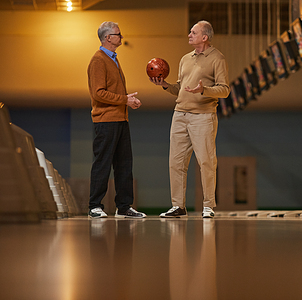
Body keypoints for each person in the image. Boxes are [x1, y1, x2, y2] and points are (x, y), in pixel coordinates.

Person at [150, 20, 230, 218]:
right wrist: (165, 85)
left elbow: (225, 90)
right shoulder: (185, 59)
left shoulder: (217, 58)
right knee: (175, 163)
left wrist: (205, 90)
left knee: (206, 162)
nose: (188, 35)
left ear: (205, 37)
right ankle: (178, 206)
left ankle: (208, 205)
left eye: (193, 32)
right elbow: (180, 88)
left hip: (203, 116)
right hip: (179, 115)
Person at [87, 21, 146, 219]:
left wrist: (128, 101)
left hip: (121, 119)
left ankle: (124, 206)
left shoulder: (113, 59)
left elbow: (111, 91)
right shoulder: (98, 60)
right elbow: (98, 93)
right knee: (102, 162)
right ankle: (95, 205)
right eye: (118, 34)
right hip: (105, 121)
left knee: (124, 164)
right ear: (108, 38)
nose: (121, 36)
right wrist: (124, 100)